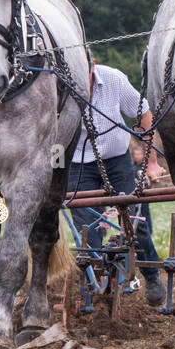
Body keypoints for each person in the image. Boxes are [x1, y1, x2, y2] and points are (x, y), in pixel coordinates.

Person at [67, 59, 165, 305]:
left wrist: (151, 161)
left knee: (134, 220)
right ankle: (92, 278)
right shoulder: (60, 85)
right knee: (88, 227)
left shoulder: (113, 78)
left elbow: (143, 112)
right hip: (79, 164)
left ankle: (151, 275)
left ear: (91, 64)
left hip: (117, 160)